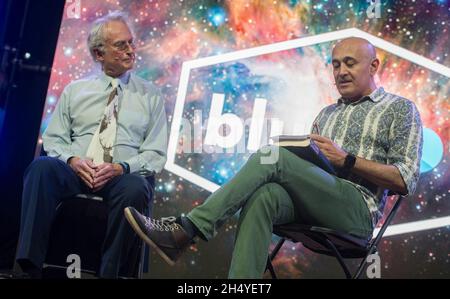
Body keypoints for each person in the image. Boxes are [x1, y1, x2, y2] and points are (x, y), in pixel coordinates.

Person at [124, 37, 423, 278]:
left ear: (373, 66)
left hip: (356, 213)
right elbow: (311, 171)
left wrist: (348, 161)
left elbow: (405, 179)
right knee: (265, 194)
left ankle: (187, 230)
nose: (341, 71)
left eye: (350, 63)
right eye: (335, 65)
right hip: (317, 203)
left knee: (271, 156)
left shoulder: (400, 109)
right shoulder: (327, 114)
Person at [15, 11, 167, 278]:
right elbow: (54, 139)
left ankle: (111, 273)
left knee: (136, 187)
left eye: (131, 43)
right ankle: (28, 266)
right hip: (76, 170)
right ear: (99, 54)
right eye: (121, 45)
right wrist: (73, 161)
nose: (131, 50)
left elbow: (155, 153)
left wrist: (122, 167)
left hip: (120, 176)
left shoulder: (151, 95)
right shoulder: (76, 90)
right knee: (41, 168)